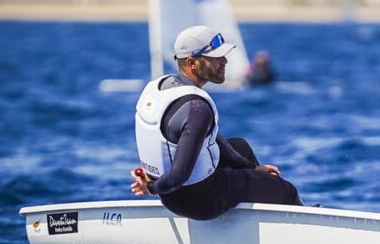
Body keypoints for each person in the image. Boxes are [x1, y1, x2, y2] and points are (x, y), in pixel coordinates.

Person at [130, 25, 303, 220]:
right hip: (201, 201)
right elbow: (178, 177)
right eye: (216, 58)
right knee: (284, 189)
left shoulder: (157, 88)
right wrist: (150, 187)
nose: (224, 61)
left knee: (241, 147)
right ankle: (301, 222)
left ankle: (257, 207)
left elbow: (209, 139)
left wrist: (251, 168)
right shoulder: (197, 108)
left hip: (172, 196)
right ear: (192, 63)